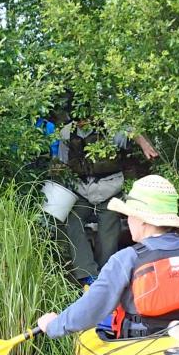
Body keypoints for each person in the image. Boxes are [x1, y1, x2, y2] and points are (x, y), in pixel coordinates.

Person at [36, 175, 179, 340]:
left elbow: (91, 308)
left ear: (143, 221)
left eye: (129, 216)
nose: (127, 221)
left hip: (139, 345)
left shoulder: (125, 259)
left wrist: (54, 325)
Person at [39, 112, 160, 284]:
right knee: (71, 219)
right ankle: (88, 275)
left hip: (110, 188)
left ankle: (106, 275)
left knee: (108, 230)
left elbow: (131, 132)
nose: (82, 121)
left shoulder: (110, 128)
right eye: (78, 118)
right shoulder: (67, 132)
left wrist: (145, 145)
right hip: (81, 189)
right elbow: (62, 161)